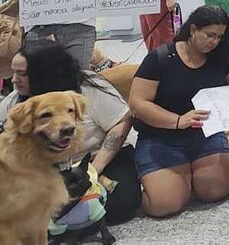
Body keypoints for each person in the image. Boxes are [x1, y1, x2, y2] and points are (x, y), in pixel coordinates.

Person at [129, 5, 229, 217]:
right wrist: (178, 120)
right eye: (209, 35)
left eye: (219, 37)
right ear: (192, 30)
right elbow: (138, 103)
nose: (214, 42)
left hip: (206, 133)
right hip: (162, 137)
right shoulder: (160, 58)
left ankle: (197, 170)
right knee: (164, 205)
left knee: (215, 191)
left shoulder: (220, 57)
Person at [0, 40, 140, 224]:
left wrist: (93, 170)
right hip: (47, 171)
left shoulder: (88, 88)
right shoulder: (15, 102)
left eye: (22, 74)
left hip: (99, 159)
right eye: (14, 72)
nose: (14, 80)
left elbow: (122, 121)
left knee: (120, 203)